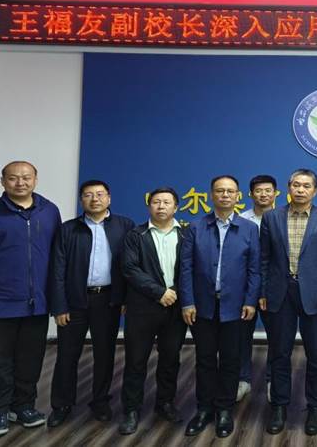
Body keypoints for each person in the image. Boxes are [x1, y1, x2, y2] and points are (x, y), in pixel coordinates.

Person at [0, 160, 62, 438]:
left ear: (35, 179)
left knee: (31, 359)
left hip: (37, 302)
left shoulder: (49, 211)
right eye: (14, 178)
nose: (21, 182)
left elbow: (58, 257)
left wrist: (57, 299)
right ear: (3, 181)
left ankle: (24, 406)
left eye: (26, 177)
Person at [259, 169, 317, 436]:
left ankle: (315, 407)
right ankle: (279, 406)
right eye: (296, 185)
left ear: (315, 191)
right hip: (279, 293)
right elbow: (264, 258)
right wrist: (262, 291)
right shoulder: (271, 217)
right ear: (288, 188)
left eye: (306, 186)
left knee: (315, 355)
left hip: (315, 296)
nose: (300, 190)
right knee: (279, 353)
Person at [47, 180, 135, 427]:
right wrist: (59, 306)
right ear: (81, 200)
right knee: (67, 354)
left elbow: (130, 266)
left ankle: (100, 401)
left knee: (104, 354)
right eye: (88, 195)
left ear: (109, 198)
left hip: (108, 300)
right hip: (74, 301)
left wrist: (125, 298)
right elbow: (57, 270)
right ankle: (62, 404)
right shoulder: (68, 229)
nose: (94, 199)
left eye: (99, 194)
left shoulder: (124, 226)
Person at [180, 175, 261, 438]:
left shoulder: (249, 229)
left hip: (235, 307)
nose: (225, 195)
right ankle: (204, 409)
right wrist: (187, 301)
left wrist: (250, 300)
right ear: (211, 195)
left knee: (230, 359)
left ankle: (224, 409)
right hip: (202, 306)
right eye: (220, 191)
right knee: (204, 359)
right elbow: (186, 268)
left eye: (230, 191)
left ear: (238, 196)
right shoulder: (196, 227)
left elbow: (254, 270)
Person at [118, 187, 188, 435]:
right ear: (149, 206)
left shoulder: (186, 234)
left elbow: (191, 268)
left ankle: (165, 403)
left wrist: (175, 292)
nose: (161, 206)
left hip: (175, 308)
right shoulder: (135, 235)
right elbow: (130, 269)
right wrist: (159, 292)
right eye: (156, 202)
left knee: (170, 359)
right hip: (143, 308)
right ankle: (131, 410)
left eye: (166, 202)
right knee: (136, 361)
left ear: (176, 207)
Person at [238, 174, 277, 402]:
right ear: (250, 194)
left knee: (277, 337)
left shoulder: (283, 219)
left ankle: (273, 380)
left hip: (274, 289)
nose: (263, 195)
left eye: (268, 190)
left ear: (275, 193)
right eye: (259, 191)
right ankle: (242, 380)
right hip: (245, 288)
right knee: (242, 336)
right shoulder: (241, 220)